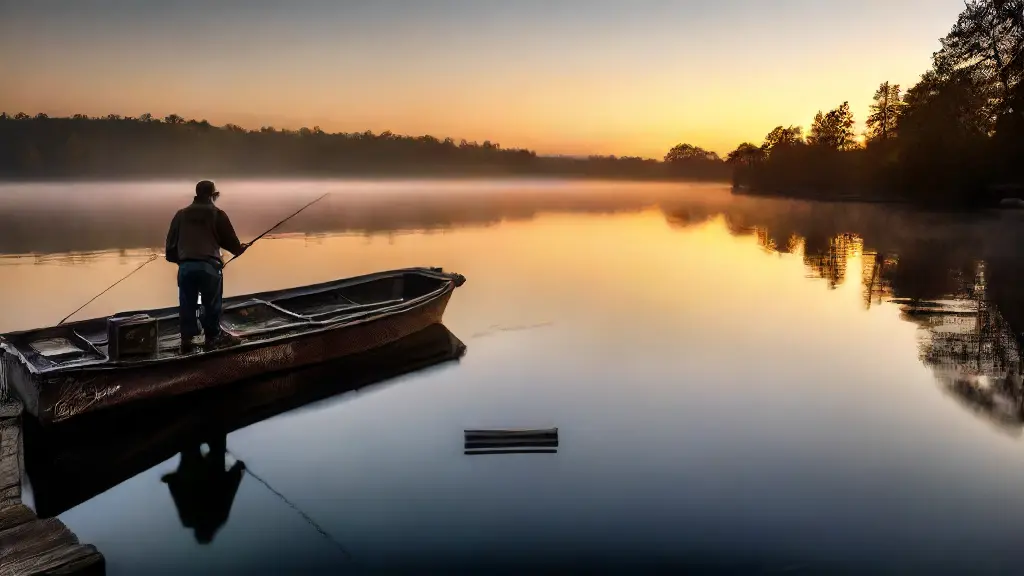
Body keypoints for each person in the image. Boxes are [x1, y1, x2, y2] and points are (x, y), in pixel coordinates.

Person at [165, 180, 248, 353]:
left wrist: (183, 262)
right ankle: (213, 338)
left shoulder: (180, 215)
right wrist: (240, 249)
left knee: (187, 304)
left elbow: (170, 249)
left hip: (186, 268)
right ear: (213, 195)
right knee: (211, 305)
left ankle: (187, 340)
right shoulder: (218, 214)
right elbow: (233, 245)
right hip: (209, 269)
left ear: (196, 194)